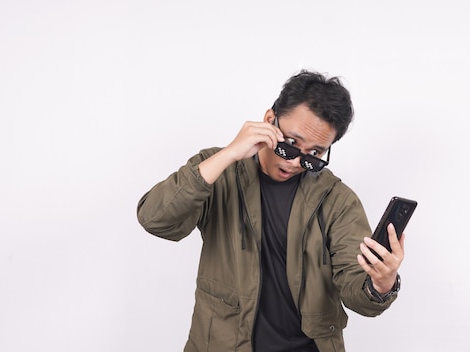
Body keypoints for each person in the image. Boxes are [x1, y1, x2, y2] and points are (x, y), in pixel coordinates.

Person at [136, 70, 405, 352]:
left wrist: (381, 284)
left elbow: (356, 288)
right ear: (268, 120)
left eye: (314, 155)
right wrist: (229, 153)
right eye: (290, 145)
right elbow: (155, 219)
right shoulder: (219, 170)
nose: (295, 162)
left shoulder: (337, 201)